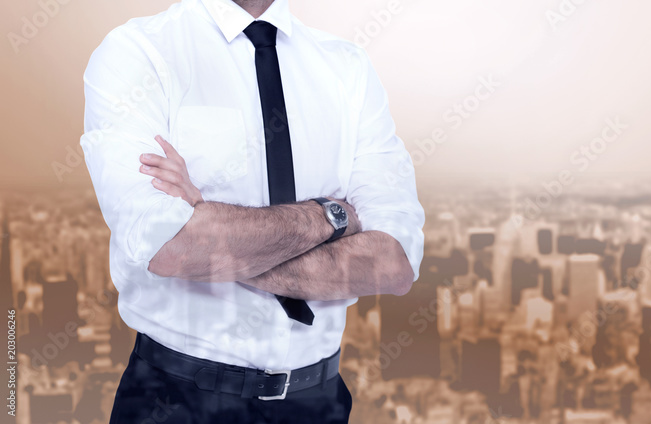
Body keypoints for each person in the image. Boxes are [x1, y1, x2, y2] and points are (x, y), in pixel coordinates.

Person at [80, 0, 425, 422]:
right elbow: (169, 247)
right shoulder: (138, 53)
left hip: (317, 401)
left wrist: (206, 220)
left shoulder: (347, 68)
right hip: (175, 402)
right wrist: (332, 215)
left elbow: (393, 264)